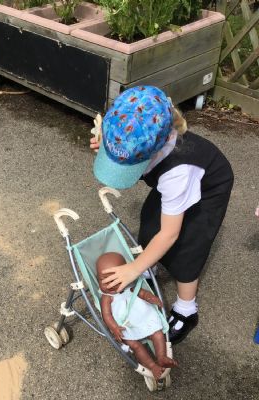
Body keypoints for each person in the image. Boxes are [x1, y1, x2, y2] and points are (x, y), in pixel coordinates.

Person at [90, 86, 234, 344]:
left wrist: (133, 268)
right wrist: (109, 150)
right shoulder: (135, 128)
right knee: (150, 222)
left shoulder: (178, 173)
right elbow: (127, 145)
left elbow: (170, 234)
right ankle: (151, 264)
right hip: (174, 184)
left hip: (209, 189)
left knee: (188, 248)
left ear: (153, 152)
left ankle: (186, 310)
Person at [97, 252, 178, 380]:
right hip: (125, 326)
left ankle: (161, 356)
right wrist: (114, 328)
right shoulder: (107, 297)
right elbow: (106, 314)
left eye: (114, 279)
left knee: (157, 334)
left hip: (143, 318)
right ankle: (152, 366)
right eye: (104, 280)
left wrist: (150, 297)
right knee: (135, 346)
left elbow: (142, 293)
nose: (110, 284)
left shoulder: (131, 286)